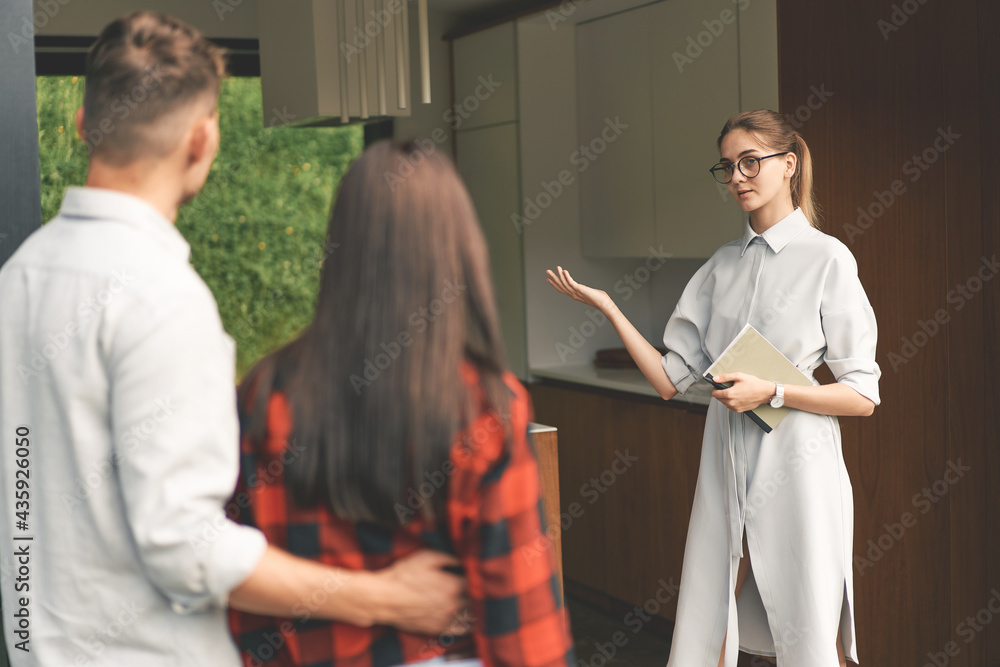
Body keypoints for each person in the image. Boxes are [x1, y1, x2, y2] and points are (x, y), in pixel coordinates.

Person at [0, 12, 465, 667]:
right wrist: (385, 597)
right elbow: (185, 546)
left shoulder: (17, 278)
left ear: (81, 126)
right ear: (203, 139)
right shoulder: (162, 298)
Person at [547, 109, 880, 667]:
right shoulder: (720, 266)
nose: (737, 178)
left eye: (750, 162)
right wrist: (608, 307)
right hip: (724, 453)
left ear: (788, 165)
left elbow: (862, 396)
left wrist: (772, 391)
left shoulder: (828, 258)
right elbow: (669, 380)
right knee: (708, 607)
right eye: (727, 167)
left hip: (799, 460)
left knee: (807, 624)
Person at [227, 140, 576, 667]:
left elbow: (236, 585)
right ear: (455, 248)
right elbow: (526, 637)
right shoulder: (483, 406)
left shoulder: (265, 392)